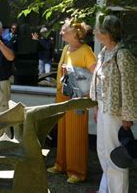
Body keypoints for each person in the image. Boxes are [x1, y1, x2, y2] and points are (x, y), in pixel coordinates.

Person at [90, 15, 137, 192]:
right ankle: (106, 189)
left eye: (98, 29)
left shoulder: (122, 54)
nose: (94, 32)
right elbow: (99, 82)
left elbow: (130, 87)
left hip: (116, 112)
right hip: (103, 108)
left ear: (107, 32)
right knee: (102, 152)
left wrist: (128, 117)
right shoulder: (103, 53)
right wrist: (96, 106)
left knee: (116, 156)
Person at [47, 19, 96, 184]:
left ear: (75, 34)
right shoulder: (67, 49)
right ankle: (61, 165)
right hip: (63, 96)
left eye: (64, 30)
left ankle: (77, 172)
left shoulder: (86, 51)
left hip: (78, 99)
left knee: (76, 134)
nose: (61, 33)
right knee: (62, 132)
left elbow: (95, 73)